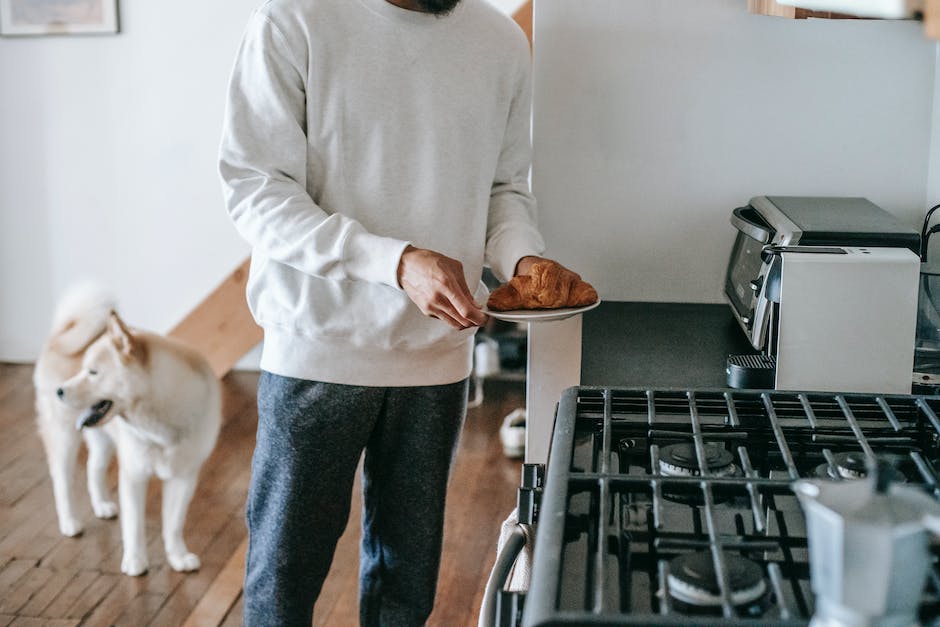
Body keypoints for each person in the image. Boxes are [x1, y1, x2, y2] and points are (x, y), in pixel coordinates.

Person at [219, 0, 582, 624]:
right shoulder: (293, 20)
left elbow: (503, 190)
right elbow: (254, 189)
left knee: (404, 588)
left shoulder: (499, 41)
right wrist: (394, 261)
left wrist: (524, 260)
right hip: (317, 353)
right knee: (282, 580)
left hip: (437, 360)